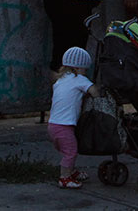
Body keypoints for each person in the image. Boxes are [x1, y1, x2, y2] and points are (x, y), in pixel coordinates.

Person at [48, 46, 100, 189]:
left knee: (67, 151)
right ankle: (64, 178)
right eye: (84, 69)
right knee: (71, 152)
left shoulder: (60, 81)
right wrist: (97, 95)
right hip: (64, 126)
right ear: (79, 68)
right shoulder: (80, 79)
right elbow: (94, 91)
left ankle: (71, 171)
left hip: (53, 125)